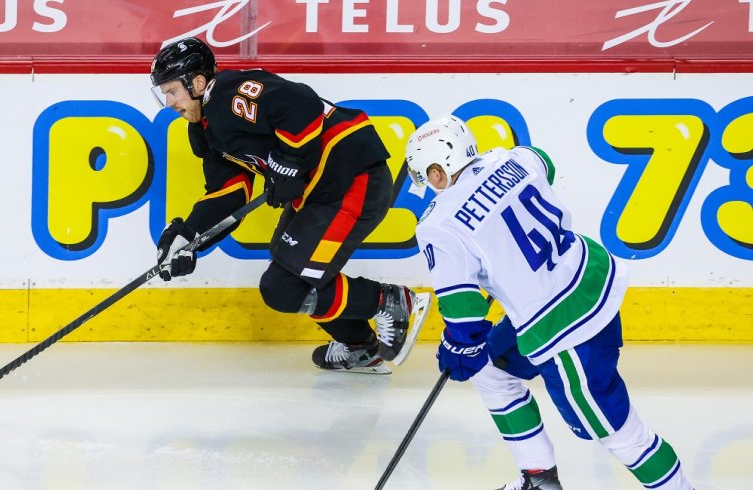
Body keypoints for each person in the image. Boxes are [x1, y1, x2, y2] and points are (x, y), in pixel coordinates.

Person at [406, 116, 694, 489]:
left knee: (623, 436)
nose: (429, 187)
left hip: (562, 326)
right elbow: (545, 163)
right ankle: (538, 478)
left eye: (426, 178)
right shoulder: (513, 159)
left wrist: (457, 348)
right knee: (490, 369)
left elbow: (465, 317)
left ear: (437, 171)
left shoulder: (438, 225)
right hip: (590, 278)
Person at [149, 37, 430, 373]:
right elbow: (229, 191)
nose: (168, 102)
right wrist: (188, 237)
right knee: (290, 277)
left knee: (284, 287)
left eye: (172, 91)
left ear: (196, 83)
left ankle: (388, 301)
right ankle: (360, 347)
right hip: (320, 193)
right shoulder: (204, 131)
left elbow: (301, 104)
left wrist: (289, 161)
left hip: (351, 175)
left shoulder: (227, 93)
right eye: (163, 94)